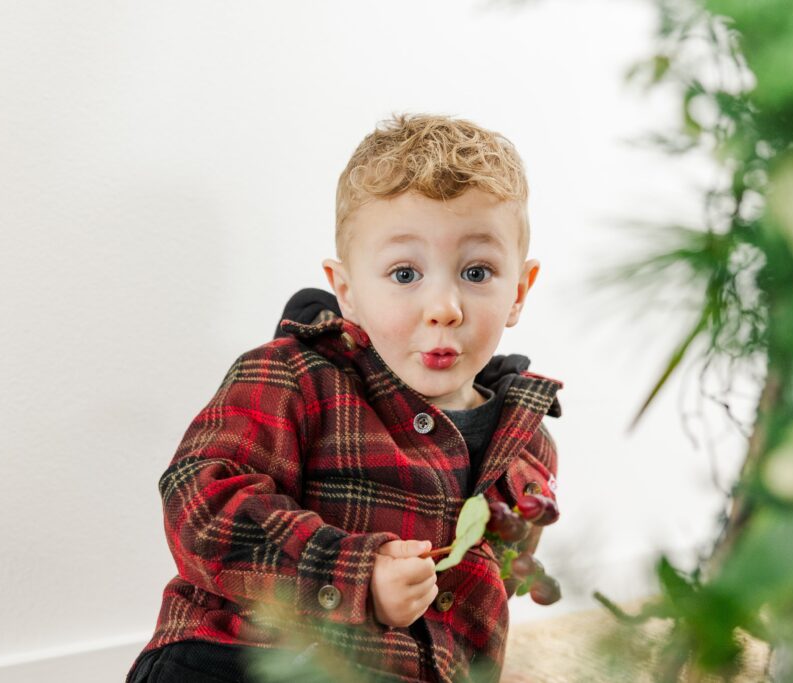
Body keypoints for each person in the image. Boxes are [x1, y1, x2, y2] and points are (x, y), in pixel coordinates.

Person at [126, 114, 564, 683]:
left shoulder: (527, 443)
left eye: (476, 271)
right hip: (243, 656)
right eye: (405, 273)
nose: (444, 306)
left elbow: (493, 588)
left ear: (519, 292)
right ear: (348, 290)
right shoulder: (294, 375)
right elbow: (198, 502)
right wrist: (351, 574)